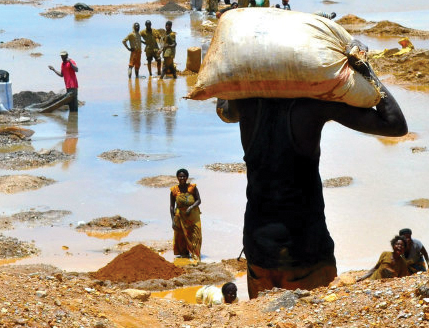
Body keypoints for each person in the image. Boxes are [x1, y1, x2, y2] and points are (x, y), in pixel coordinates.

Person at [216, 56, 406, 298]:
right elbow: (395, 124)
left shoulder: (244, 104)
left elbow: (223, 107)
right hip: (306, 251)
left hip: (258, 251)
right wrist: (366, 71)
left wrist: (228, 71)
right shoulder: (313, 105)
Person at [170, 168, 202, 261]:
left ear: (187, 177)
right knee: (181, 236)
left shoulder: (192, 188)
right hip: (180, 216)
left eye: (184, 176)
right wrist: (173, 220)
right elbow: (172, 206)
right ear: (177, 178)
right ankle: (184, 255)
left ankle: (196, 255)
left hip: (193, 216)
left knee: (195, 235)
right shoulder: (174, 190)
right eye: (180, 176)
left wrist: (191, 207)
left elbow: (199, 200)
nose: (182, 178)